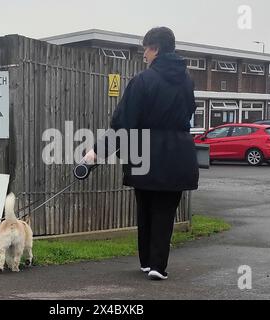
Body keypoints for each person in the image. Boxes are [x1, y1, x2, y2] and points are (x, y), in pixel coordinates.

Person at [83, 27, 199, 280]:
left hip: (145, 153)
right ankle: (157, 265)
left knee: (145, 206)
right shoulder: (187, 81)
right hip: (178, 153)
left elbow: (124, 122)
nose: (144, 54)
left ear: (155, 48)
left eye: (145, 49)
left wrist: (96, 152)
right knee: (166, 210)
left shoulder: (143, 80)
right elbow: (189, 113)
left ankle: (147, 262)